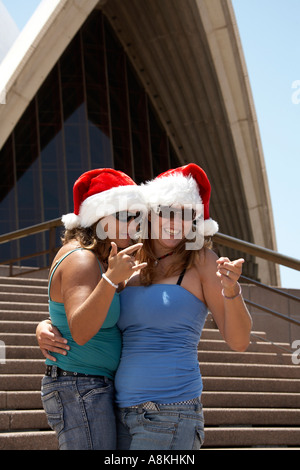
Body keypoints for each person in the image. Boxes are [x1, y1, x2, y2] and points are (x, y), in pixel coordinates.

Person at [114, 163, 252, 450]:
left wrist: (231, 290)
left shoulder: (201, 260)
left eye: (186, 214)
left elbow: (239, 341)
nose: (176, 222)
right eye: (167, 211)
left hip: (171, 415)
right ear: (149, 213)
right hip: (119, 413)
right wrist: (47, 325)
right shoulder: (129, 259)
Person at [37, 168, 146, 450]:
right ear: (97, 218)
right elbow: (82, 330)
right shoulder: (83, 259)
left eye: (136, 216)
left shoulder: (96, 259)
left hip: (87, 386)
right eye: (122, 215)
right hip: (79, 387)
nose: (132, 223)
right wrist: (111, 280)